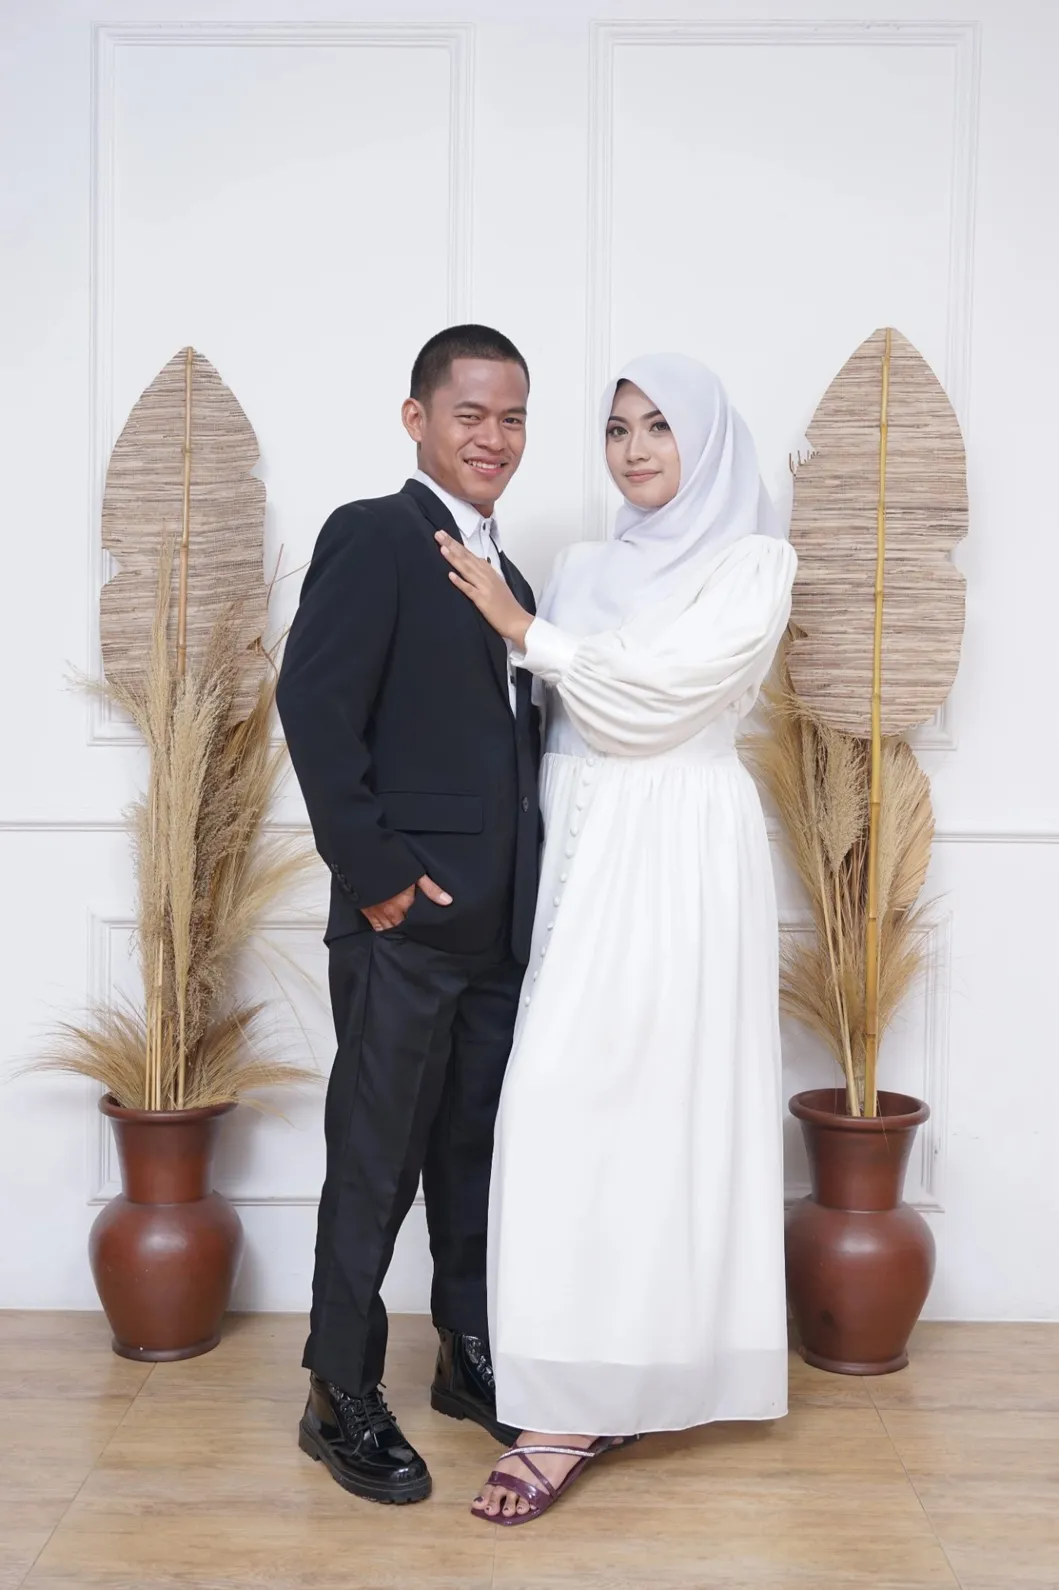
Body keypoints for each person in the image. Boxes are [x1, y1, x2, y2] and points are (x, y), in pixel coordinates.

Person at [435, 351, 797, 1525]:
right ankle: (576, 1379)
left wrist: (523, 629)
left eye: (660, 427)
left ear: (708, 442)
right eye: (617, 428)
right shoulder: (585, 568)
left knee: (651, 1104)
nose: (635, 449)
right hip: (577, 851)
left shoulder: (754, 564)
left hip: (677, 851)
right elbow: (543, 716)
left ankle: (594, 1401)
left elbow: (657, 704)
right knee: (562, 1099)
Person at [276, 325, 541, 1506]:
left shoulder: (513, 578)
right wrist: (374, 871)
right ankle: (338, 1391)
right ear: (417, 418)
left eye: (512, 417)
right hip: (405, 922)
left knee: (473, 1155)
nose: (493, 437)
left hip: (498, 929)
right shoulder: (373, 534)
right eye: (470, 413)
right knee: (375, 1163)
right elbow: (312, 700)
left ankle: (463, 1354)